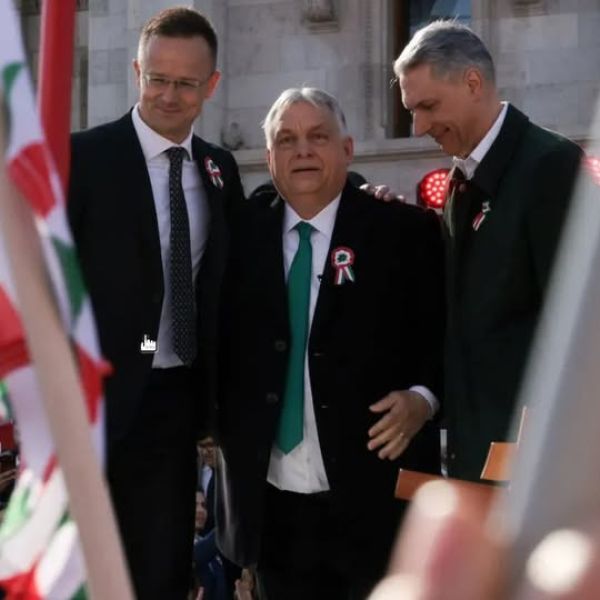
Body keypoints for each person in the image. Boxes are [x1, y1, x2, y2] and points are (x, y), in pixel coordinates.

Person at [216, 87, 445, 599]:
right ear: (268, 157)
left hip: (377, 509)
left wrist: (424, 399)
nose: (302, 151)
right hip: (273, 514)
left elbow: (444, 338)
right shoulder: (237, 236)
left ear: (347, 149)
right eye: (286, 140)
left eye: (318, 137)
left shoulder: (403, 231)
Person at [67, 7, 244, 598]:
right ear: (137, 72)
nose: (169, 96)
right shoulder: (83, 159)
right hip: (91, 400)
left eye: (186, 83)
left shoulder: (219, 169)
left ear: (211, 85)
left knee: (161, 570)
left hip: (172, 398)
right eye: (157, 79)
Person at [394, 21, 582, 482]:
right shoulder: (460, 183)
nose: (418, 127)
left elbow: (577, 330)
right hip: (479, 458)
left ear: (473, 83)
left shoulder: (551, 166)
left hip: (534, 470)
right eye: (411, 111)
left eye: (428, 107)